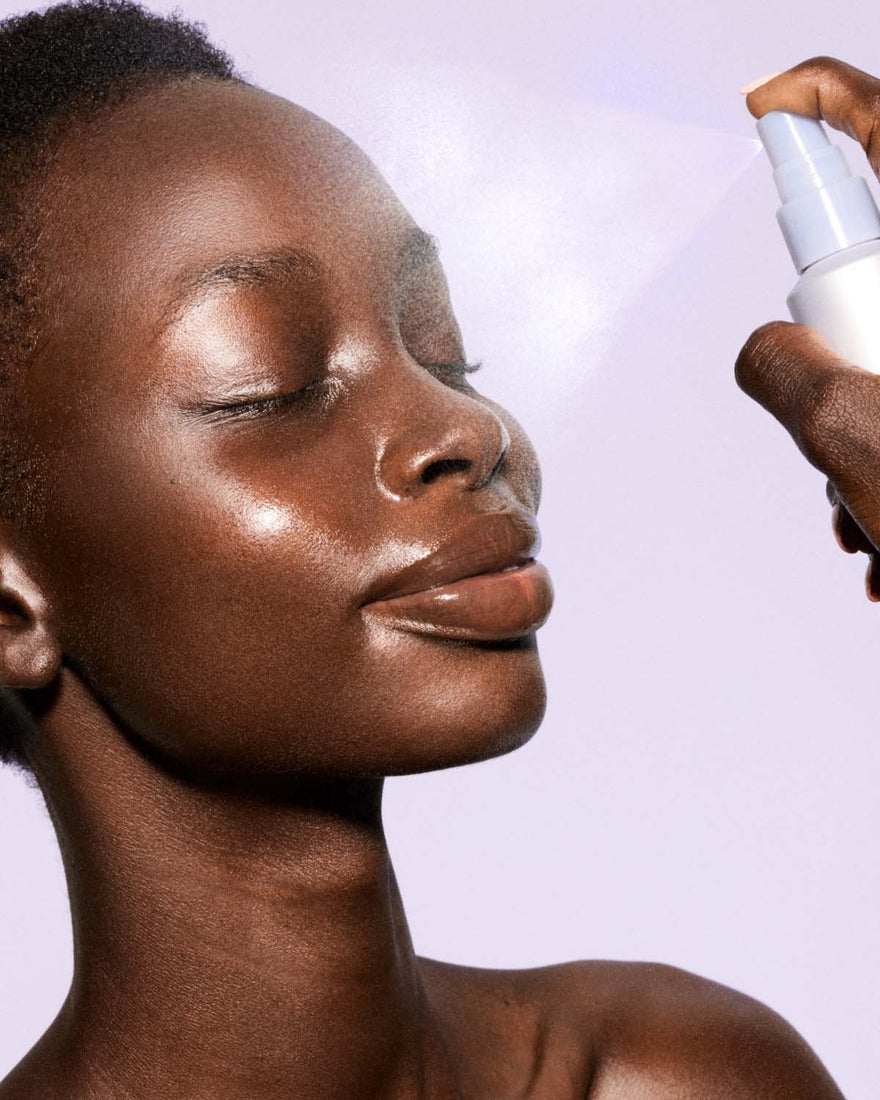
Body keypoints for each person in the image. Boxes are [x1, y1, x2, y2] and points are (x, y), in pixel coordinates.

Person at [0, 0, 855, 1094]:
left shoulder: (681, 1075)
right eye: (273, 385)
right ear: (12, 601)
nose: (474, 431)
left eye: (448, 355)